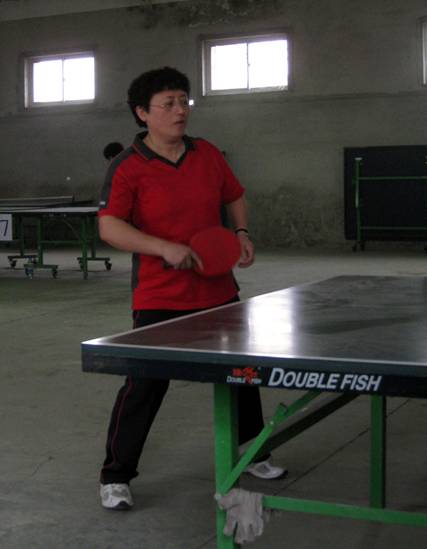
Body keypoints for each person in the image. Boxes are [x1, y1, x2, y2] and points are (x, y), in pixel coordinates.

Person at [97, 66, 286, 510]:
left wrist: (241, 232)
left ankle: (252, 453)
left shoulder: (207, 154)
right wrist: (162, 247)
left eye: (184, 101)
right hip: (160, 296)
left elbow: (233, 194)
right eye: (168, 103)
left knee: (242, 375)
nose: (180, 110)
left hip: (217, 292)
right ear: (143, 113)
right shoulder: (127, 166)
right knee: (145, 385)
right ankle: (115, 475)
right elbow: (110, 227)